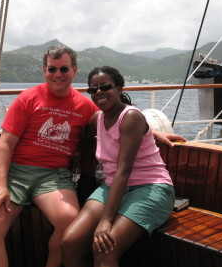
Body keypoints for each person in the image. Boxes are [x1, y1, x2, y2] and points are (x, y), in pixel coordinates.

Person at [0, 44, 184, 267]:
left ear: (74, 70)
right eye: (52, 69)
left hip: (53, 177)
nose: (58, 74)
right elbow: (4, 145)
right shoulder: (27, 98)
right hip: (15, 172)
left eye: (64, 69)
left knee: (68, 220)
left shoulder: (86, 105)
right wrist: (1, 185)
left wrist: (152, 131)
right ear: (44, 71)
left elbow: (122, 119)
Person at [62, 66, 177, 267]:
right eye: (93, 89)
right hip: (112, 186)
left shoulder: (131, 117)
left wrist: (106, 220)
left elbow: (124, 171)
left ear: (120, 88)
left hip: (150, 188)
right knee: (70, 242)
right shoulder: (98, 118)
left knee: (104, 250)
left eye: (106, 87)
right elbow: (81, 134)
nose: (99, 92)